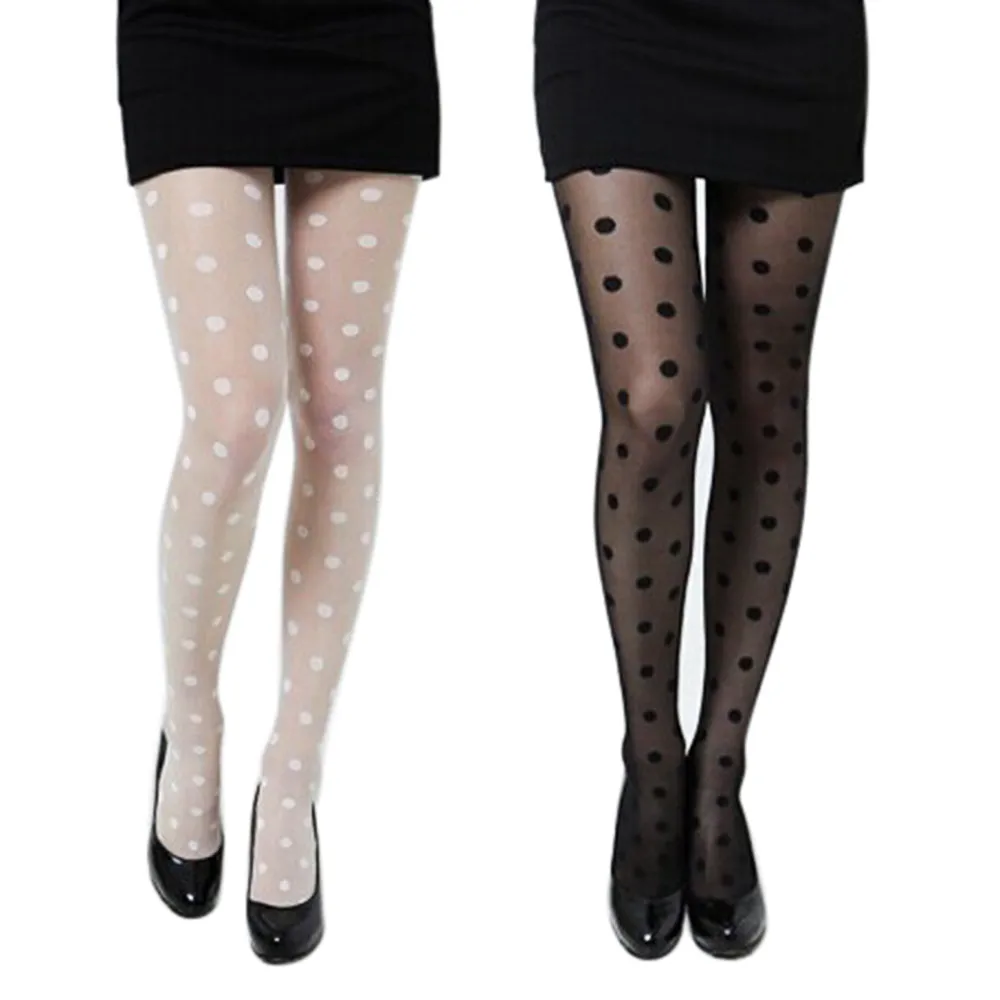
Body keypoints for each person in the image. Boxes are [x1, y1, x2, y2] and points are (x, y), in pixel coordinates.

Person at [533, 0, 868, 959]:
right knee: (655, 399)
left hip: (791, 31)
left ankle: (718, 771)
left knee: (763, 400)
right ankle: (652, 765)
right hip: (614, 27)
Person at [116, 0, 440, 964]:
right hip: (192, 23)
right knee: (235, 415)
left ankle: (293, 775)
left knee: (339, 413)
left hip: (365, 28)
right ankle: (192, 723)